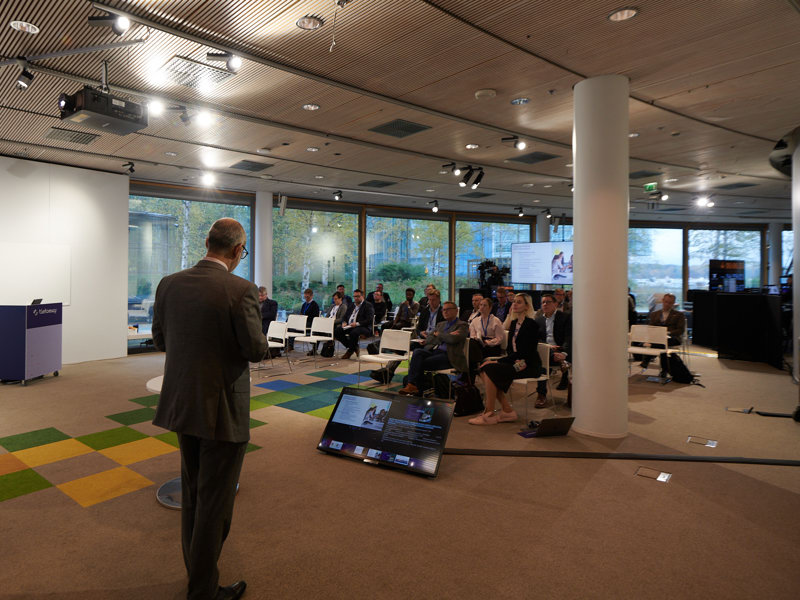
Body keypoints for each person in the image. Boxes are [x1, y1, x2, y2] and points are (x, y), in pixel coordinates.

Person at [151, 218, 265, 600]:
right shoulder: (241, 290)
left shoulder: (169, 284)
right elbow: (255, 350)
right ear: (237, 250)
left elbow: (160, 340)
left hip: (182, 403)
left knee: (194, 494)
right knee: (215, 506)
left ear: (207, 243)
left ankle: (197, 579)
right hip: (222, 409)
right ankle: (202, 591)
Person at [469, 293, 543, 425]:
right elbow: (510, 350)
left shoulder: (531, 325)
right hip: (515, 362)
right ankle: (506, 410)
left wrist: (498, 361)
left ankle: (489, 413)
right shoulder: (514, 323)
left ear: (527, 306)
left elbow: (526, 352)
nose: (515, 304)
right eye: (514, 301)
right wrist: (503, 360)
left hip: (529, 365)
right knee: (483, 369)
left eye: (519, 302)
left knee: (489, 369)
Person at [398, 301, 468, 396]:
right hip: (436, 351)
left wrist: (439, 334)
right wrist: (445, 335)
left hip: (450, 356)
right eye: (444, 310)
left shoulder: (462, 325)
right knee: (417, 352)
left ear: (456, 311)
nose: (445, 312)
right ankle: (412, 385)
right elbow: (430, 338)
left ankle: (415, 387)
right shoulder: (441, 324)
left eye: (448, 309)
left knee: (419, 363)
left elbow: (452, 339)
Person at [534, 293, 572, 403]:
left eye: (548, 302)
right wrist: (549, 348)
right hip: (547, 350)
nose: (545, 304)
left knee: (544, 360)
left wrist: (564, 353)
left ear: (555, 304)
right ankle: (541, 395)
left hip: (560, 349)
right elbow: (537, 339)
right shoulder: (539, 320)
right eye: (543, 302)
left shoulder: (564, 317)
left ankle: (562, 360)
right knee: (542, 361)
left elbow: (568, 337)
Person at [641, 292, 686, 375]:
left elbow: (680, 330)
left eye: (670, 303)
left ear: (673, 303)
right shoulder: (655, 314)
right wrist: (658, 333)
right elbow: (651, 328)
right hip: (658, 338)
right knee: (661, 344)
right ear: (662, 301)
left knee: (661, 343)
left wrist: (668, 333)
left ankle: (646, 360)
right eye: (666, 302)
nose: (667, 304)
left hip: (673, 338)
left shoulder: (679, 315)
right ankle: (664, 370)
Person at [336, 288, 375, 359]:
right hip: (350, 326)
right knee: (337, 331)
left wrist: (357, 324)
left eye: (358, 296)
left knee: (353, 333)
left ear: (362, 296)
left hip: (364, 327)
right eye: (354, 296)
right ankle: (354, 347)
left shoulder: (368, 305)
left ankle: (350, 351)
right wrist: (344, 322)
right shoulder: (351, 305)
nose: (356, 298)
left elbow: (369, 320)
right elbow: (345, 316)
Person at [298, 288, 320, 355]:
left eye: (308, 297)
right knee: (291, 326)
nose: (306, 298)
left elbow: (315, 317)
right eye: (305, 297)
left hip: (310, 323)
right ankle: (289, 345)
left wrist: (305, 318)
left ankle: (314, 349)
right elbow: (301, 313)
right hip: (303, 322)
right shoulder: (304, 304)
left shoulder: (314, 305)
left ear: (311, 296)